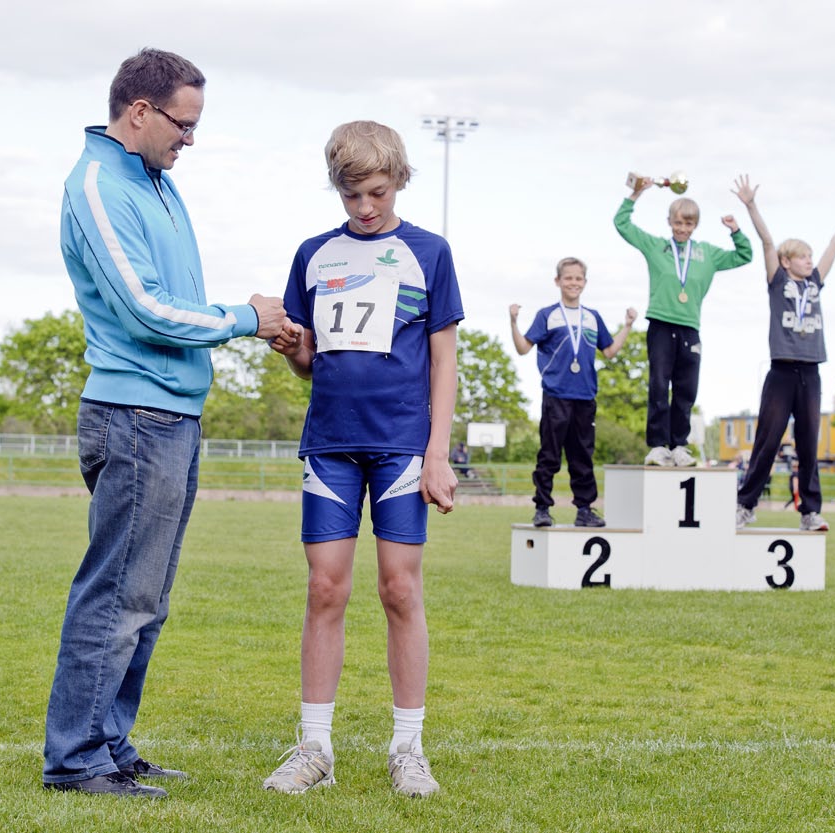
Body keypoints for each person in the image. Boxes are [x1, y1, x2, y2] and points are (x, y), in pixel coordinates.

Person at [42, 48, 287, 799]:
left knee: (147, 599)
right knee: (116, 593)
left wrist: (244, 322)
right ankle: (77, 757)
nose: (191, 139)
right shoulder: (96, 185)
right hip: (134, 413)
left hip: (172, 413)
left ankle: (109, 742)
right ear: (139, 111)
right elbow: (144, 309)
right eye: (183, 124)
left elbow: (171, 299)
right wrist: (245, 318)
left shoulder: (152, 180)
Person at [263, 120, 463, 798]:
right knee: (324, 588)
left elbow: (443, 359)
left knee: (399, 589)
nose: (364, 208)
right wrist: (291, 348)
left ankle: (407, 746)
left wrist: (437, 452)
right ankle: (313, 746)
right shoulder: (313, 255)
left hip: (403, 445)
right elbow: (308, 362)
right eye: (351, 196)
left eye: (375, 192)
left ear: (398, 180)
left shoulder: (428, 252)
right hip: (330, 442)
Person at [731, 175, 835, 532]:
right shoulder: (778, 281)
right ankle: (745, 505)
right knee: (768, 439)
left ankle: (810, 512)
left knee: (808, 444)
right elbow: (767, 240)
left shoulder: (816, 283)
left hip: (811, 373)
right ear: (786, 262)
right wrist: (751, 206)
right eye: (802, 256)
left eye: (809, 256)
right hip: (781, 372)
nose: (809, 260)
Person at [614, 178, 753, 467]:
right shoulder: (655, 247)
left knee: (686, 389)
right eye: (678, 223)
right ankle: (657, 445)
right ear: (669, 222)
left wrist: (736, 231)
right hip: (661, 324)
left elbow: (745, 255)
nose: (682, 229)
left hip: (690, 327)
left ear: (695, 226)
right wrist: (634, 195)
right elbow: (622, 224)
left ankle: (679, 445)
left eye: (688, 224)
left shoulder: (707, 254)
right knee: (658, 385)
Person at [509, 258, 637, 528]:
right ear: (557, 281)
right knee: (549, 455)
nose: (573, 283)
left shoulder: (592, 317)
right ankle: (542, 508)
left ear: (585, 283)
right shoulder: (548, 315)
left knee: (583, 457)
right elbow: (523, 348)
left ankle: (585, 510)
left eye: (578, 279)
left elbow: (610, 351)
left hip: (585, 397)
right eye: (568, 278)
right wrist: (513, 321)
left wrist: (627, 325)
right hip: (556, 395)